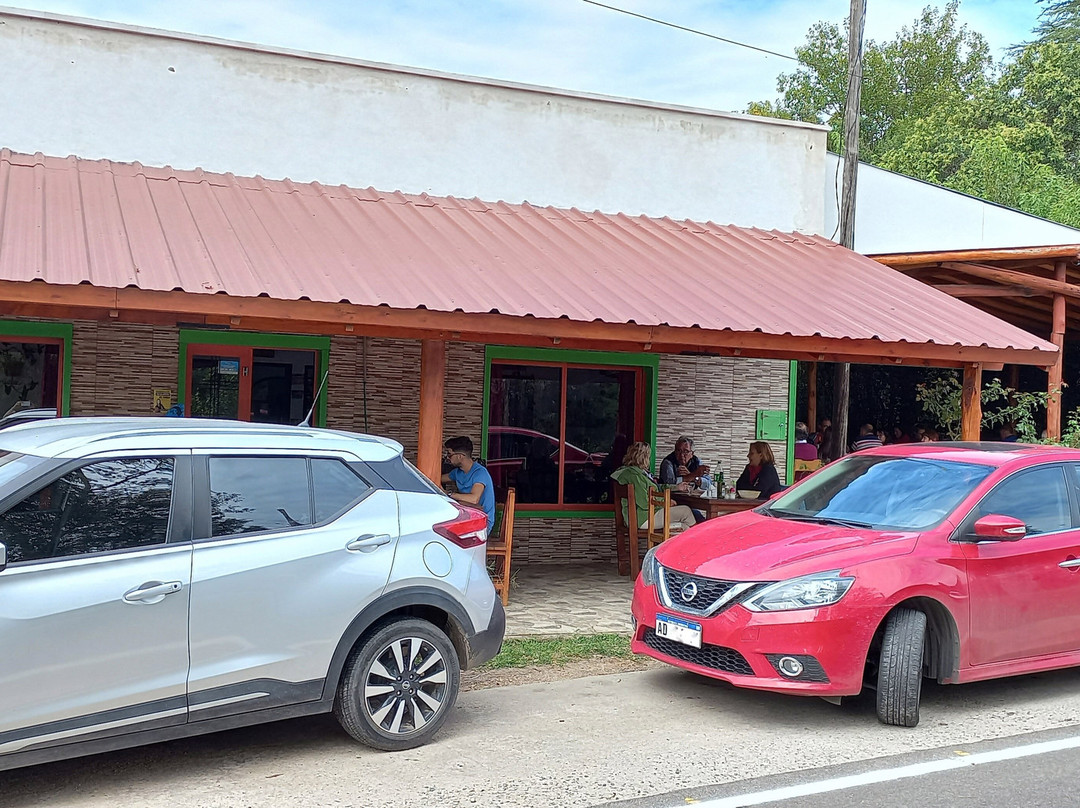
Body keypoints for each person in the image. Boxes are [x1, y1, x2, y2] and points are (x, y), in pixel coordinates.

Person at [610, 442, 696, 531]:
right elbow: (644, 502)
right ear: (644, 457)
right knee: (686, 511)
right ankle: (699, 541)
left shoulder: (635, 472)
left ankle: (682, 539)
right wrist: (666, 502)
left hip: (643, 516)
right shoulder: (634, 476)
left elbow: (656, 488)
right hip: (643, 518)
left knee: (683, 527)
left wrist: (677, 487)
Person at [442, 436, 496, 532]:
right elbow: (437, 479)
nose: (447, 458)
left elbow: (474, 499)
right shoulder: (457, 472)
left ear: (460, 456)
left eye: (450, 454)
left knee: (443, 531)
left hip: (483, 522)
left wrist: (449, 494)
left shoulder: (480, 472)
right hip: (468, 517)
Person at [516, 435, 558, 503]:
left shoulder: (530, 461)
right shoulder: (529, 463)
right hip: (535, 501)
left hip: (545, 501)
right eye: (546, 448)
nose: (548, 450)